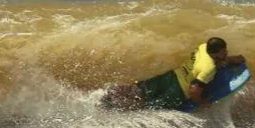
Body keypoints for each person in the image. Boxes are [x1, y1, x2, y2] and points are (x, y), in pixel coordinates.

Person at [102, 37, 246, 111]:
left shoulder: (203, 47)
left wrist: (231, 60)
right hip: (177, 92)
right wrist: (202, 102)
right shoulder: (209, 70)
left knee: (139, 90)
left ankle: (106, 96)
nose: (226, 52)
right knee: (149, 107)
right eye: (224, 51)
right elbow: (194, 90)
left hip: (171, 77)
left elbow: (212, 61)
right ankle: (119, 113)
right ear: (216, 52)